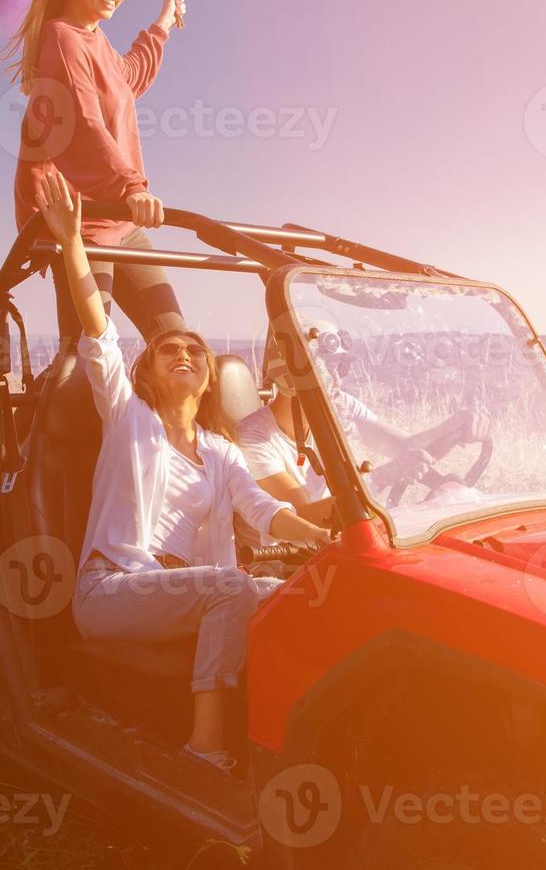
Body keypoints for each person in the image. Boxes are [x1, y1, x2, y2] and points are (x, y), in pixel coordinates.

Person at [39, 170, 332, 773]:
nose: (185, 353)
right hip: (111, 589)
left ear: (208, 376)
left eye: (195, 350)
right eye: (169, 350)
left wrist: (325, 542)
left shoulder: (221, 453)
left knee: (292, 596)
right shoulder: (127, 416)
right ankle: (205, 748)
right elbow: (98, 332)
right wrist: (72, 244)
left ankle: (299, 739)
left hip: (181, 591)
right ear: (147, 374)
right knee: (230, 586)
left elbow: (265, 512)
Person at [2, 0, 187, 344]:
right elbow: (84, 128)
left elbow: (128, 79)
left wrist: (162, 23)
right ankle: (54, 411)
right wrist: (131, 188)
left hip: (121, 220)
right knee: (89, 355)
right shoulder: (62, 40)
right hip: (81, 226)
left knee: (175, 341)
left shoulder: (94, 41)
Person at [239, 327, 491, 533]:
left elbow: (404, 447)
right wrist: (381, 477)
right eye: (328, 368)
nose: (338, 379)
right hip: (301, 556)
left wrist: (454, 426)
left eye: (343, 368)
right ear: (291, 376)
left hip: (351, 534)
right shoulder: (253, 437)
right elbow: (304, 516)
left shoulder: (342, 406)